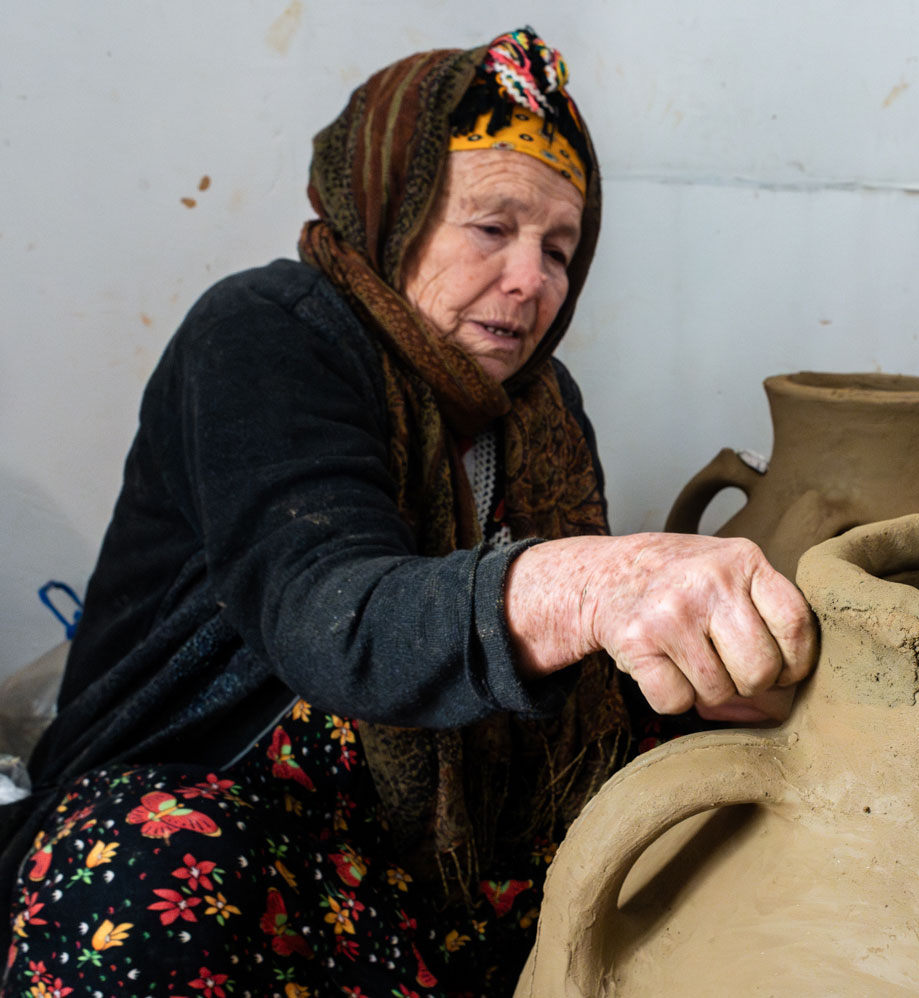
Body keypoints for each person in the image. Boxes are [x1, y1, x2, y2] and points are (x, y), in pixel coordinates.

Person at [1, 28, 815, 996]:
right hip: (215, 817)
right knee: (150, 881)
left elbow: (577, 704)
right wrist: (589, 585)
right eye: (491, 228)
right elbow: (334, 608)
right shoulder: (265, 337)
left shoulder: (542, 412)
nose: (531, 281)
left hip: (407, 859)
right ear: (393, 205)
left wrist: (709, 684)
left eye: (559, 247)